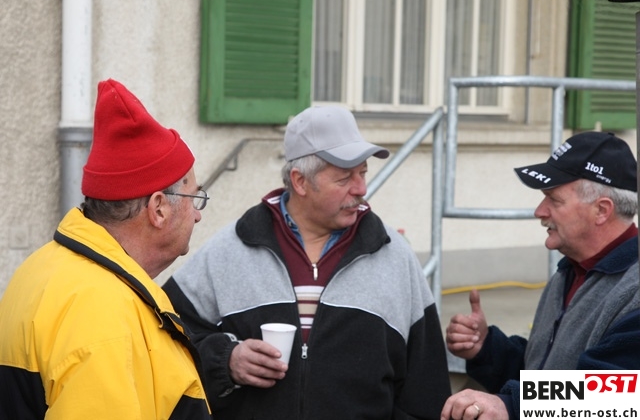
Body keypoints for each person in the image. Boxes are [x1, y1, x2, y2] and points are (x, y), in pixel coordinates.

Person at [163, 105, 452, 419]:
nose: (361, 189)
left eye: (363, 173)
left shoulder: (395, 257)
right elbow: (164, 344)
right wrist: (225, 361)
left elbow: (426, 386)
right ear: (300, 181)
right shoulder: (227, 251)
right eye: (344, 178)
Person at [0, 79, 212, 419]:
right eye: (194, 197)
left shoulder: (42, 268)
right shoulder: (104, 313)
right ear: (159, 209)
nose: (198, 214)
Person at [441, 131, 640, 420]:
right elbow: (545, 372)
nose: (539, 211)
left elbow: (618, 396)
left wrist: (511, 406)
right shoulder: (569, 273)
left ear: (601, 210)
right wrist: (486, 349)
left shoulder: (633, 291)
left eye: (553, 199)